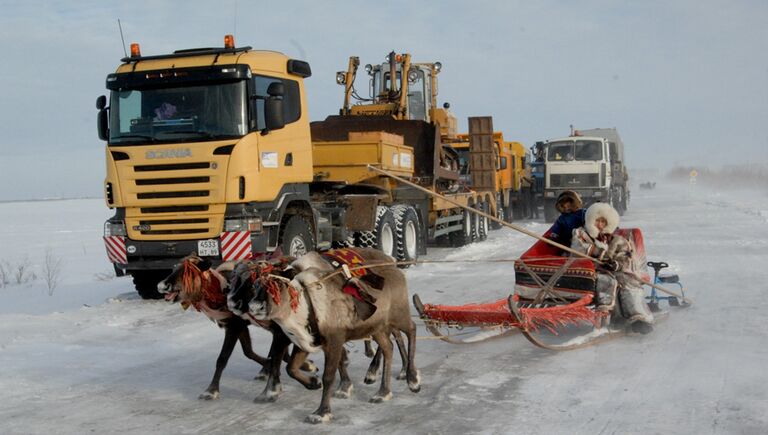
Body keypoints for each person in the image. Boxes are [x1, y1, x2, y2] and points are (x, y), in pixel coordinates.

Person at [571, 202, 654, 334]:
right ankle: (613, 318)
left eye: (603, 222)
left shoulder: (616, 240)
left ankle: (637, 317)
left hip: (612, 271)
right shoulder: (581, 234)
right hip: (590, 270)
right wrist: (601, 254)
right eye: (597, 220)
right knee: (608, 281)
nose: (600, 225)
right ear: (591, 220)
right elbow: (578, 250)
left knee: (627, 280)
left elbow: (624, 257)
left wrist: (616, 264)